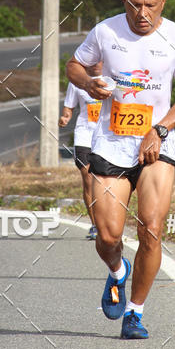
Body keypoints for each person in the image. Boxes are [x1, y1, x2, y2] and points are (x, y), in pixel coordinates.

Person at [66, 0, 175, 340]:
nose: (143, 14)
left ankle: (135, 313)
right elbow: (74, 65)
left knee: (151, 230)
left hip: (157, 144)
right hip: (110, 142)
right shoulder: (105, 32)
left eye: (151, 7)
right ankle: (117, 272)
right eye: (136, 5)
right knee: (108, 236)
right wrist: (88, 82)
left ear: (163, 4)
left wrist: (160, 130)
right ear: (124, 1)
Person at [59, 62, 103, 239]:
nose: (98, 64)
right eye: (94, 60)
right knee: (87, 177)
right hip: (84, 133)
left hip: (105, 136)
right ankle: (94, 224)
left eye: (101, 60)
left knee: (104, 181)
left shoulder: (112, 79)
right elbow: (68, 107)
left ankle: (106, 221)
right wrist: (65, 117)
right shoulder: (77, 81)